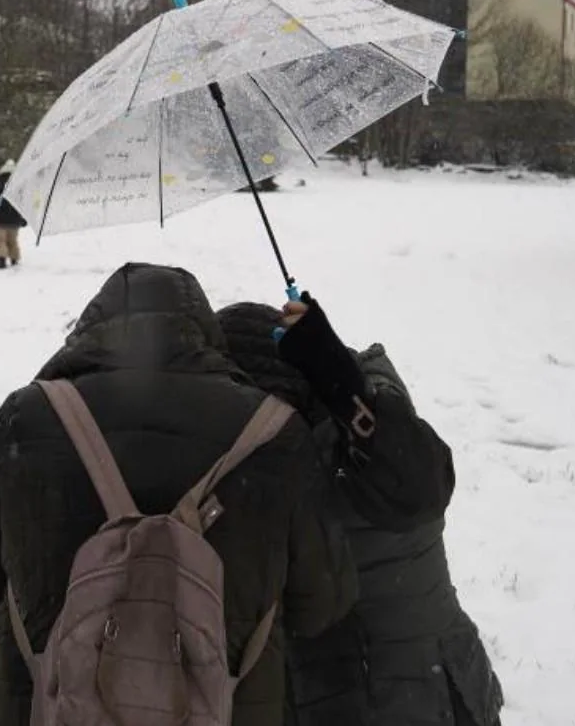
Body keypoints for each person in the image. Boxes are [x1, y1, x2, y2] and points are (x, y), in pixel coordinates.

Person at [0, 263, 359, 726]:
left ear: (88, 330)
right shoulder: (275, 433)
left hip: (42, 706)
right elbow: (323, 602)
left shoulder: (27, 418)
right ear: (205, 334)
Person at [216, 297, 504, 726]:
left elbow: (420, 486)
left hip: (426, 697)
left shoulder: (362, 417)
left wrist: (348, 393)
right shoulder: (272, 457)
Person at [0, 160, 27, 269]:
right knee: (12, 241)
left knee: (0, 241)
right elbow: (24, 202)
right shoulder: (20, 183)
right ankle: (14, 260)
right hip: (15, 219)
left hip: (1, 220)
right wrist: (23, 218)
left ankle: (2, 261)